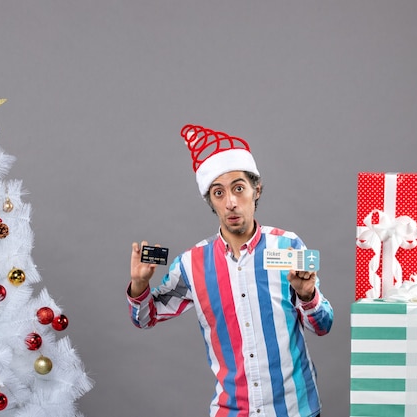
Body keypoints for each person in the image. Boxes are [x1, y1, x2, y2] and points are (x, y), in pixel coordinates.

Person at [127, 124, 333, 417]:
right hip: (233, 411)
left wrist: (307, 294)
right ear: (210, 201)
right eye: (219, 193)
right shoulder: (191, 264)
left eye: (239, 188)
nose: (231, 202)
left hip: (296, 409)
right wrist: (139, 286)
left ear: (256, 189)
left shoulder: (289, 246)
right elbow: (145, 318)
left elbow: (323, 326)